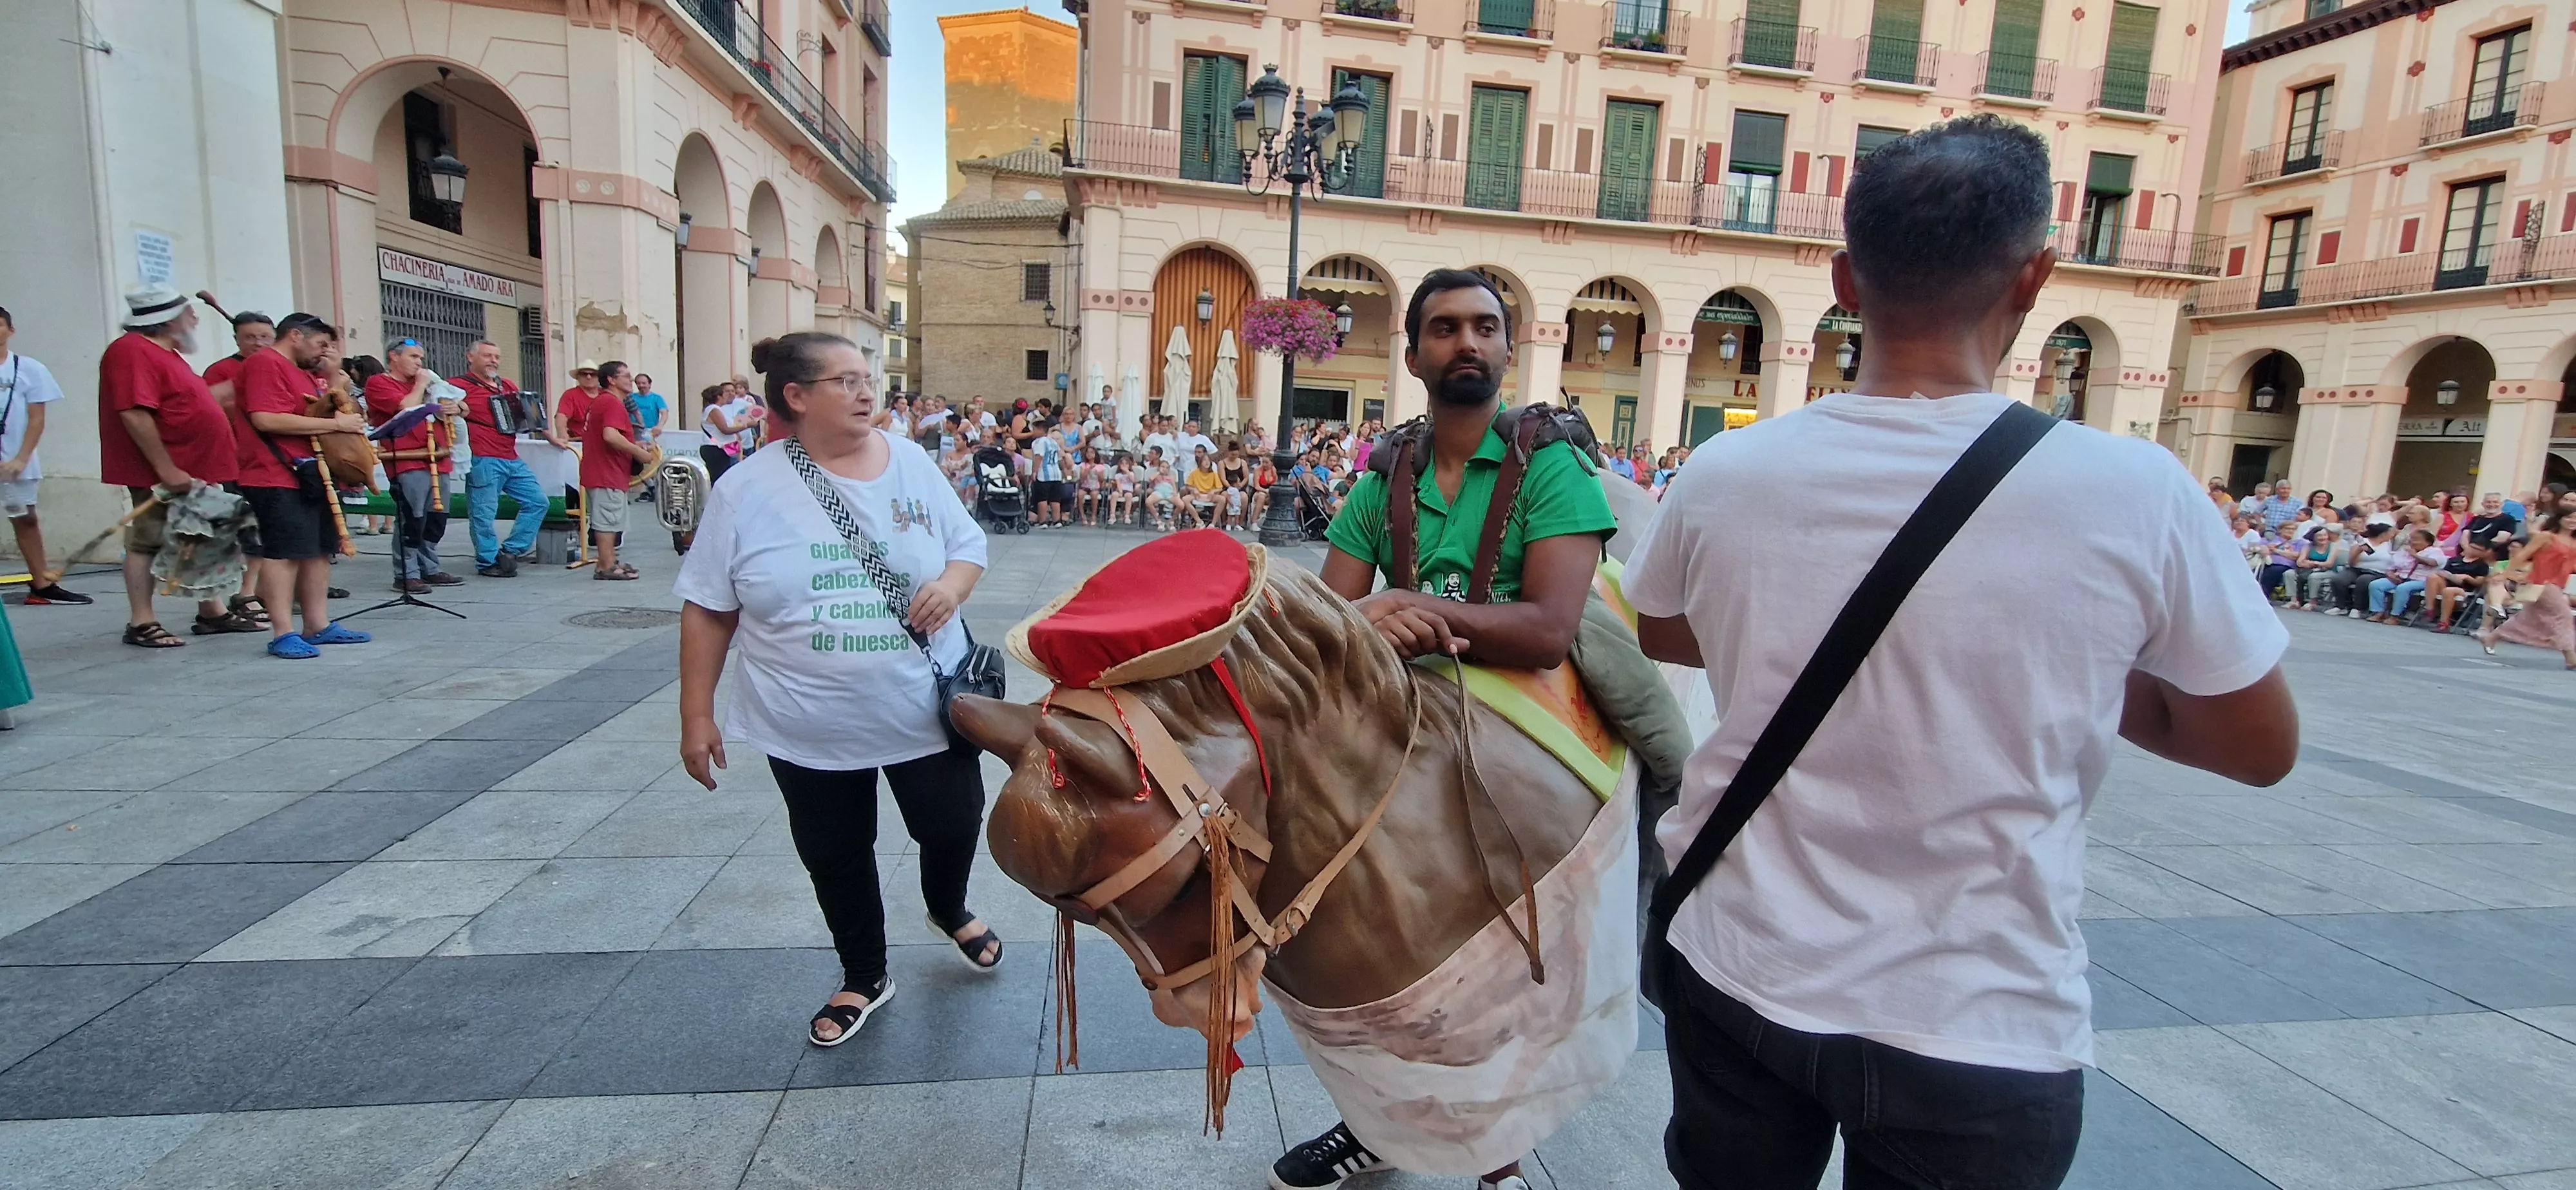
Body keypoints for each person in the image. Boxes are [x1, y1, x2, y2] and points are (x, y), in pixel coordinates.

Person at [1624, 116, 2295, 1190]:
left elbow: (1662, 625)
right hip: (1978, 1016)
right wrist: (2066, 658)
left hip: (1738, 963)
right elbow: (2257, 742)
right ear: (2035, 277)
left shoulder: (1726, 471)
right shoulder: (2138, 492)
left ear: (1845, 279)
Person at [1287, 267, 1624, 1190]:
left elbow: (1552, 629)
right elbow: (1327, 619)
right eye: (1444, 329)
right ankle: (1378, 1123)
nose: (1465, 343)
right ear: (1414, 353)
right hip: (1406, 699)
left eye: (1483, 327)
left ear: (1509, 350)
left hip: (1524, 692)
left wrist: (1400, 607)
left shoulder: (1549, 464)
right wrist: (1368, 623)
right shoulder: (1386, 470)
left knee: (1497, 936)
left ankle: (1495, 1152)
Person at [676, 332, 1000, 1048]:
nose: (866, 394)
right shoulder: (746, 490)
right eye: (846, 381)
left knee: (951, 825)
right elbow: (708, 605)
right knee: (836, 851)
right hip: (806, 721)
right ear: (796, 397)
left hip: (924, 706)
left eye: (869, 379)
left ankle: (946, 906)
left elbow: (966, 545)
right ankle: (865, 972)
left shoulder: (910, 463)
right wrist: (695, 714)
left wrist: (949, 588)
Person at [97, 286, 253, 645]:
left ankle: (211, 611)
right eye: (189, 313)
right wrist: (166, 469)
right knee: (147, 540)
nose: (195, 319)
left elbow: (186, 405)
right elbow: (135, 412)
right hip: (166, 470)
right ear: (167, 321)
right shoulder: (132, 351)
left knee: (200, 537)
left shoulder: (167, 354)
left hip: (195, 467)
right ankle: (141, 621)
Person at [234, 314, 371, 660]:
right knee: (285, 552)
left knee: (319, 550)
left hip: (312, 472)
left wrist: (332, 379)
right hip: (275, 473)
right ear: (295, 335)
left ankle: (317, 624)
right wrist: (338, 426)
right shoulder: (265, 363)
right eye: (320, 344)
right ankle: (283, 632)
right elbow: (265, 418)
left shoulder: (305, 374)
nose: (324, 352)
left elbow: (325, 412)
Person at [0, 307, 91, 605]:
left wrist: (21, 458)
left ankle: (41, 583)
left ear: (11, 331)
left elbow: (37, 418)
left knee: (25, 518)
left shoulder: (28, 369)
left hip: (14, 460)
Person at [363, 339, 464, 592]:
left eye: (421, 358)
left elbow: (462, 405)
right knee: (412, 519)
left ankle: (430, 568)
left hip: (438, 458)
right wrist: (420, 385)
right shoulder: (379, 383)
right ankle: (406, 573)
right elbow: (406, 408)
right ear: (393, 357)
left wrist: (456, 406)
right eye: (413, 357)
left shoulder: (429, 382)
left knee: (435, 519)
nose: (419, 363)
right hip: (408, 460)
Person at [454, 340, 547, 577]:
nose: (493, 361)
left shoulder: (506, 385)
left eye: (496, 356)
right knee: (483, 513)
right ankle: (487, 561)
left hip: (510, 456)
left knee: (538, 502)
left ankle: (510, 551)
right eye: (487, 356)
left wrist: (547, 433)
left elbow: (529, 415)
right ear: (470, 357)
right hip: (483, 457)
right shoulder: (457, 387)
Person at [582, 362, 651, 580]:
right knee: (607, 520)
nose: (630, 380)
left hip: (607, 470)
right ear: (611, 380)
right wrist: (641, 454)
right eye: (625, 376)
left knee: (611, 520)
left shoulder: (604, 402)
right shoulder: (611, 403)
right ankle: (605, 565)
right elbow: (610, 436)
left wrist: (634, 447)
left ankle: (609, 561)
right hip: (606, 471)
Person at [2364, 528, 2441, 623]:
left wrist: (2415, 555)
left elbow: (2433, 563)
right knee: (2376, 585)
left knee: (2403, 588)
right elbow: (2392, 567)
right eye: (2411, 539)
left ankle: (2395, 616)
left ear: (2428, 542)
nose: (2412, 541)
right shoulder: (2404, 551)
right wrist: (2391, 575)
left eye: (2416, 539)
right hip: (2401, 577)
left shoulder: (2435, 551)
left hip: (2422, 581)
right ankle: (2378, 612)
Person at [200, 311, 276, 403]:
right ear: (236, 339)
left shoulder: (284, 365)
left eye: (265, 337)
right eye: (250, 337)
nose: (258, 343)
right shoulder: (219, 371)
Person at [2424, 538, 2494, 632]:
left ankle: (2444, 624)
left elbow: (2479, 583)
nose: (2473, 550)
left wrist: (2467, 577)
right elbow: (2444, 572)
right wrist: (2448, 576)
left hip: (2465, 591)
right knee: (2432, 577)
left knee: (2449, 591)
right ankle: (2430, 610)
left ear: (2484, 552)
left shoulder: (2481, 565)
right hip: (2447, 584)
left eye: (2478, 549)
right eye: (2472, 547)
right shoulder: (2455, 560)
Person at [1182, 445, 1223, 528]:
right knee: (1185, 499)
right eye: (1204, 460)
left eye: (1208, 460)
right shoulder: (1194, 473)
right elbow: (1188, 485)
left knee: (1222, 499)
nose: (1207, 462)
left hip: (1209, 495)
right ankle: (1199, 521)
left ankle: (1213, 524)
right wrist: (1194, 489)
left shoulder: (1214, 474)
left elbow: (1220, 487)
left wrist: (1213, 491)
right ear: (1201, 462)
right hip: (1198, 495)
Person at [629, 372, 668, 449]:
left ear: (650, 384)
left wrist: (659, 426)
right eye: (639, 383)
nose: (641, 386)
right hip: (634, 432)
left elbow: (664, 413)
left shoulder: (656, 398)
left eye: (644, 383)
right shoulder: (630, 397)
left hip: (651, 433)